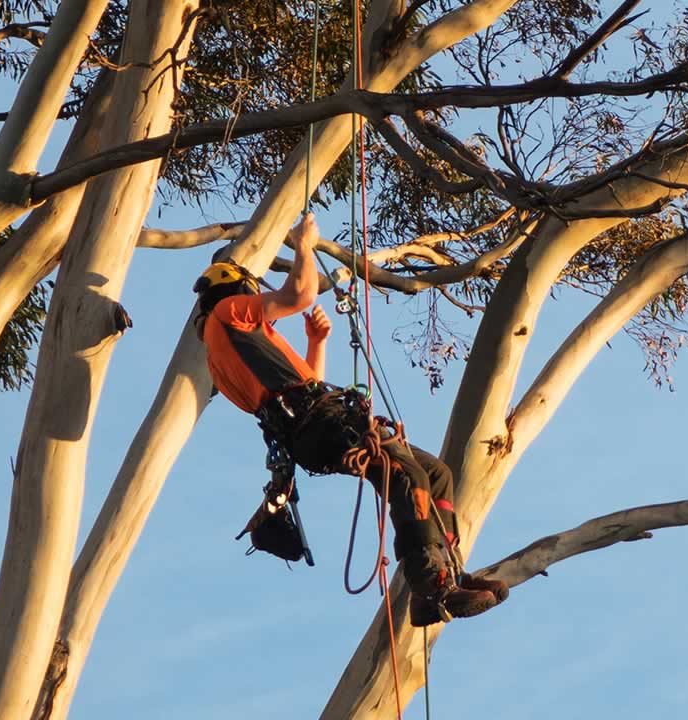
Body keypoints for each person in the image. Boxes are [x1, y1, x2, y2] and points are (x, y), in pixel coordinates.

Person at [195, 217, 507, 625]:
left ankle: (447, 568)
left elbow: (300, 388)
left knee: (435, 472)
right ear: (238, 289)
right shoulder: (227, 312)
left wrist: (315, 343)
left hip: (315, 429)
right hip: (322, 424)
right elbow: (300, 293)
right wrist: (304, 246)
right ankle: (432, 588)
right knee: (406, 476)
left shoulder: (224, 357)